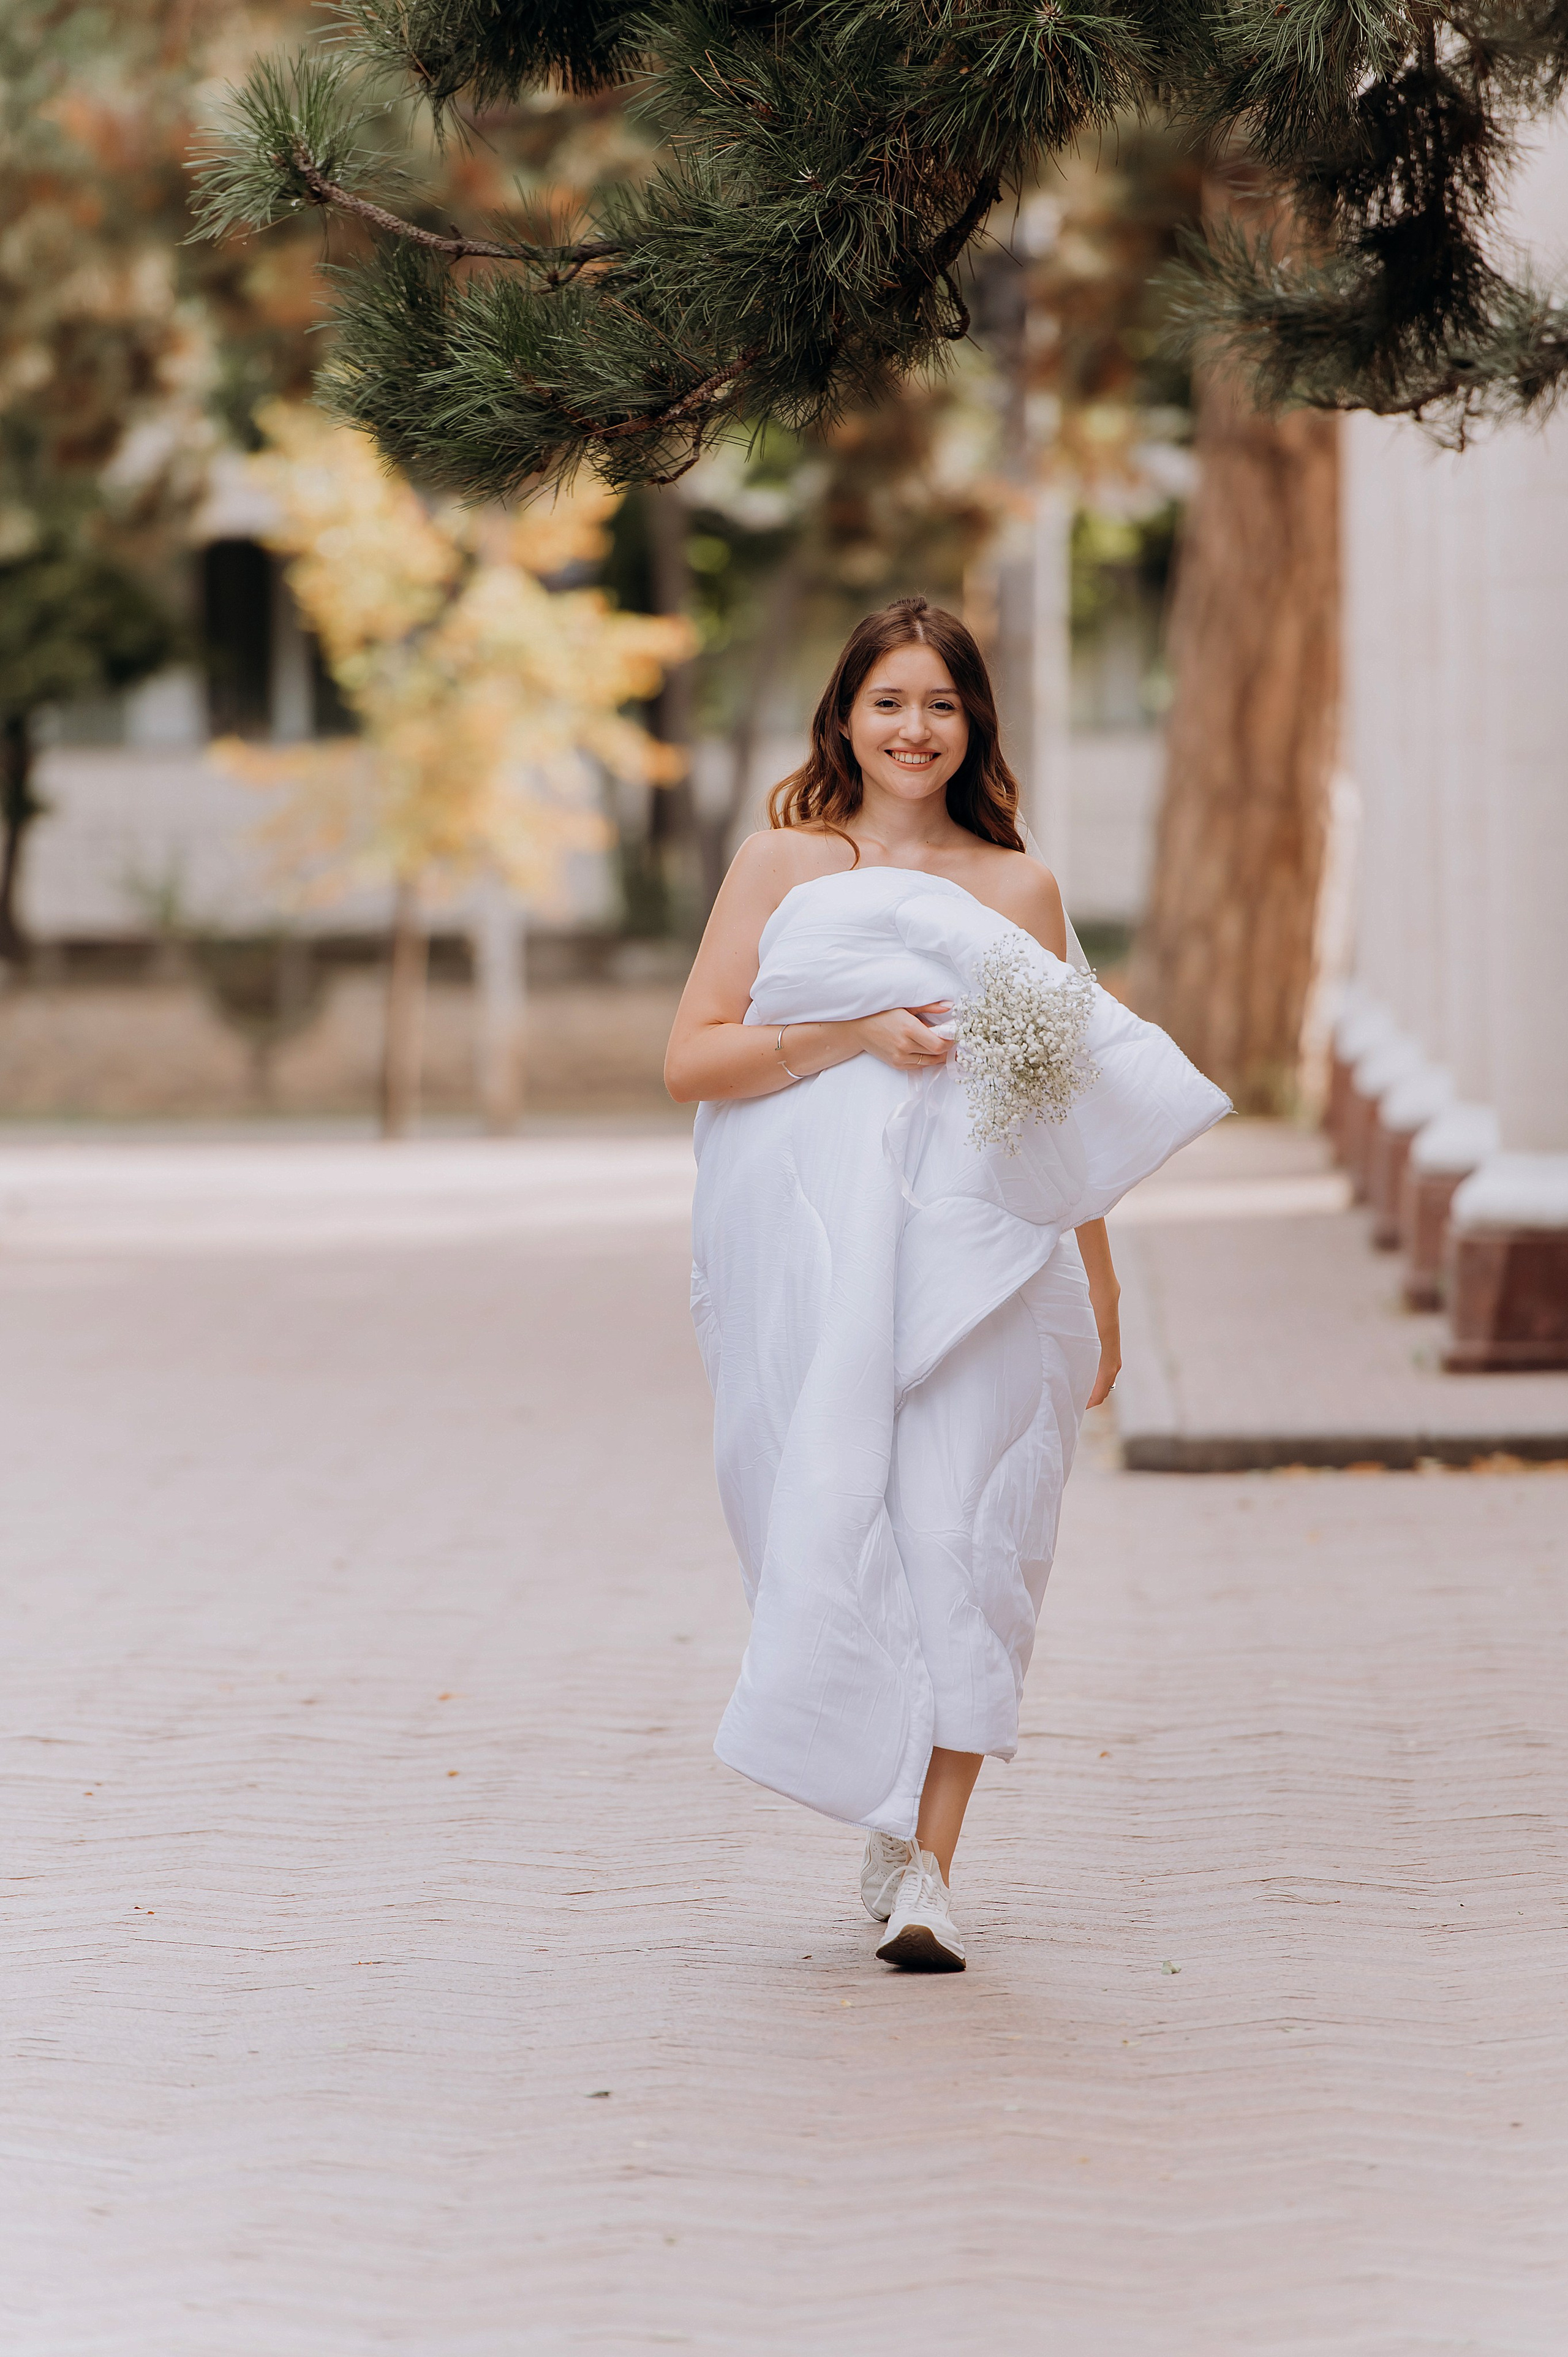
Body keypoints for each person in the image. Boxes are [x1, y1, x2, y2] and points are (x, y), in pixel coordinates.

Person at [665, 597, 1227, 1972]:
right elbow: (694, 1057)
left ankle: (925, 1868)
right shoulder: (780, 863)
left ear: (972, 723)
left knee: (964, 1543)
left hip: (989, 1269)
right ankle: (873, 1783)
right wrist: (851, 1035)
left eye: (940, 705)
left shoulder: (1016, 891)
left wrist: (1094, 1291)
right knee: (846, 1528)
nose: (912, 730)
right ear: (843, 717)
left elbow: (1065, 1109)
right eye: (888, 702)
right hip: (827, 1268)